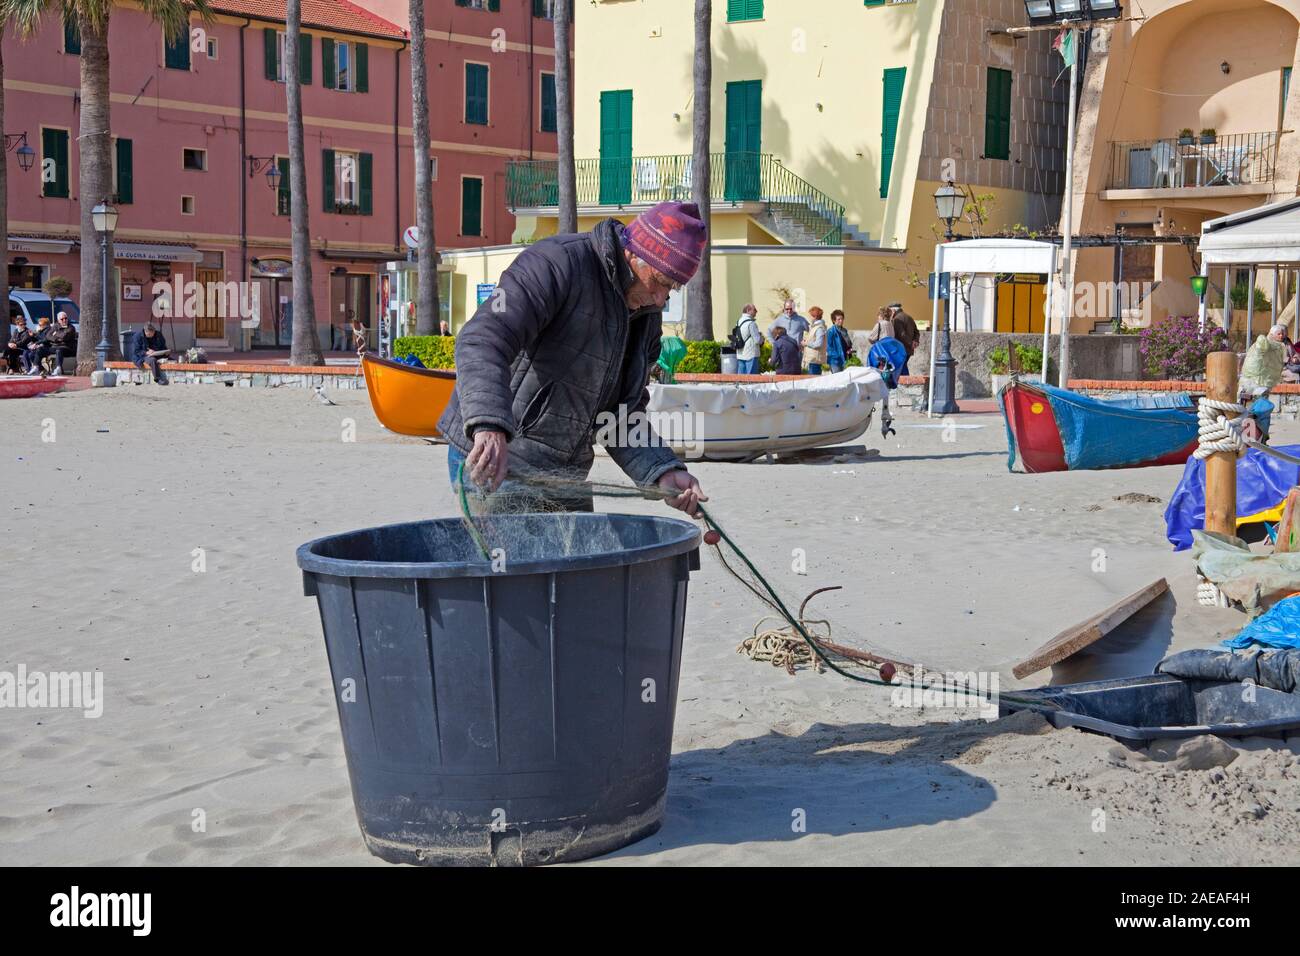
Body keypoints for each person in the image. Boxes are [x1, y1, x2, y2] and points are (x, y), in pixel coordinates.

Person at [438, 200, 708, 516]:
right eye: (660, 282)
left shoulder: (647, 315)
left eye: (672, 288)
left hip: (563, 473)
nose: (661, 299)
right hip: (499, 457)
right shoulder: (554, 263)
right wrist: (488, 423)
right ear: (635, 254)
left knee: (577, 561)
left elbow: (620, 413)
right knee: (518, 562)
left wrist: (662, 470)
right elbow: (482, 339)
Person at [45, 312, 77, 377]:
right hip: (55, 346)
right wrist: (56, 339)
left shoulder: (71, 327)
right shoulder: (56, 326)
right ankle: (36, 367)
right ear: (59, 320)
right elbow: (48, 335)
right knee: (41, 349)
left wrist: (55, 334)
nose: (64, 320)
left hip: (67, 348)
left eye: (66, 318)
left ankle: (58, 368)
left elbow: (64, 336)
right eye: (62, 319)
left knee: (59, 350)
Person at [736, 303, 762, 374]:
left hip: (740, 353)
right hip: (751, 354)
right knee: (751, 380)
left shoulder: (738, 321)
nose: (757, 311)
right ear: (748, 310)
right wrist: (762, 339)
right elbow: (757, 340)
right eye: (755, 310)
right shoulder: (751, 323)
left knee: (741, 379)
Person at [803, 306, 828, 375]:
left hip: (815, 360)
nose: (809, 318)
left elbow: (818, 344)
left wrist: (806, 343)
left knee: (813, 383)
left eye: (810, 316)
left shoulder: (819, 328)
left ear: (815, 317)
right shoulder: (814, 327)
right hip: (813, 359)